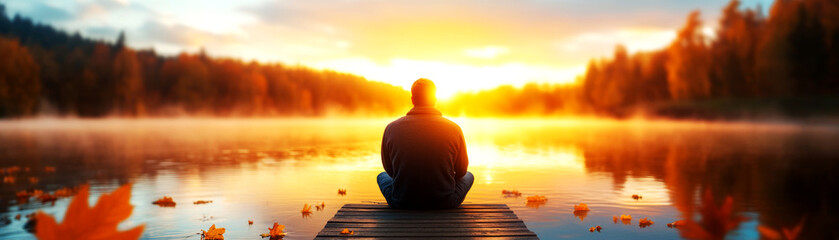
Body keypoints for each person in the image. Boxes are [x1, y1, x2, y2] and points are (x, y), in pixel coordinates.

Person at [377, 78, 474, 209]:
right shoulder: (454, 128)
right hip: (444, 202)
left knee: (382, 176)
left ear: (412, 99)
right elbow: (461, 171)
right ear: (435, 99)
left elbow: (389, 170)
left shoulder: (391, 128)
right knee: (468, 175)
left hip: (402, 201)